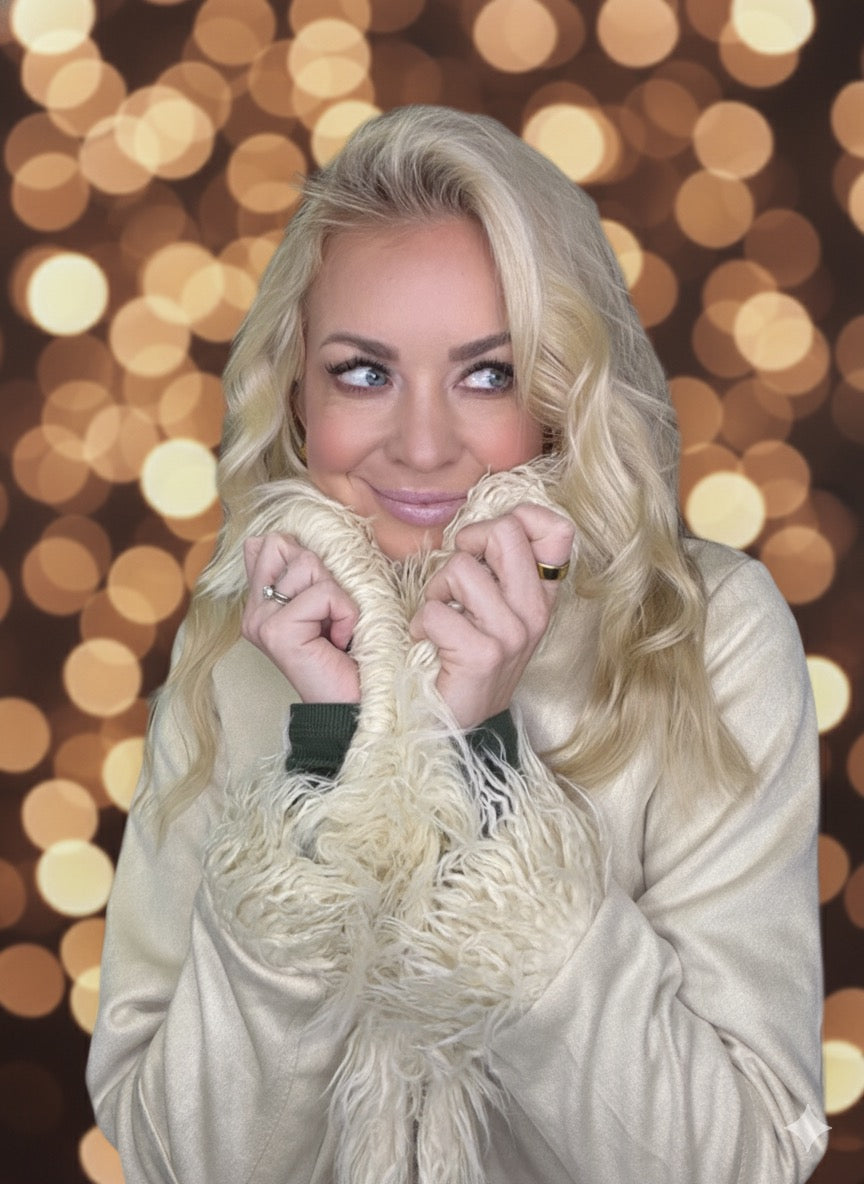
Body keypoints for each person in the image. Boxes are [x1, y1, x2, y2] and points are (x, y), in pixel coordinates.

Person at [86, 105, 825, 1184]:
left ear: (560, 388)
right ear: (296, 390)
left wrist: (485, 775)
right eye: (364, 371)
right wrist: (325, 763)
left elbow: (743, 1158)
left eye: (487, 373)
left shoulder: (706, 632)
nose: (425, 445)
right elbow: (177, 1154)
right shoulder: (235, 640)